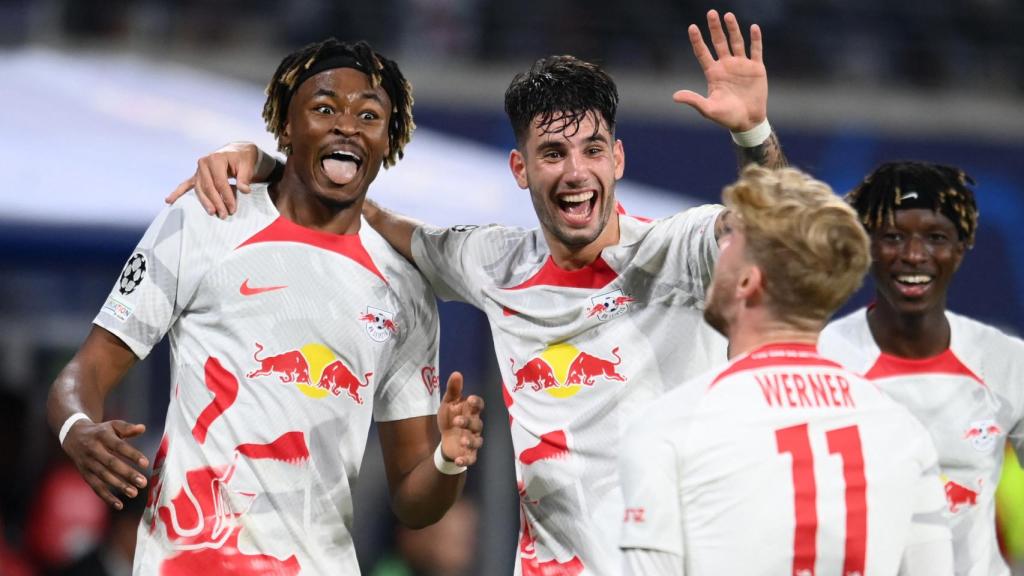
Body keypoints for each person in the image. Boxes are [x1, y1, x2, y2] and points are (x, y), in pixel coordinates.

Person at [169, 11, 786, 574]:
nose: (575, 172)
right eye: (552, 153)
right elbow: (369, 214)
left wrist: (753, 133)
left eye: (592, 150)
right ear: (521, 169)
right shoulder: (494, 262)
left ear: (617, 160)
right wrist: (266, 163)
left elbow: (780, 232)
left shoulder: (678, 251)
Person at [47, 38, 484, 575]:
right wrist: (77, 428)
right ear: (286, 128)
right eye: (325, 108)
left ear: (389, 139)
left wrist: (447, 460)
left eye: (369, 115)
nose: (348, 126)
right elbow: (84, 372)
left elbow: (414, 503)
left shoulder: (405, 287)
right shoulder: (209, 216)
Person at [618, 165, 954, 575]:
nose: (719, 248)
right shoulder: (903, 430)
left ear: (748, 282)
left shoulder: (670, 427)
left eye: (731, 239)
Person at [818, 161, 1024, 576]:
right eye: (893, 237)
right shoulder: (822, 361)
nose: (914, 255)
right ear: (865, 246)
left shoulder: (1007, 361)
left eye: (936, 238)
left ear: (961, 249)